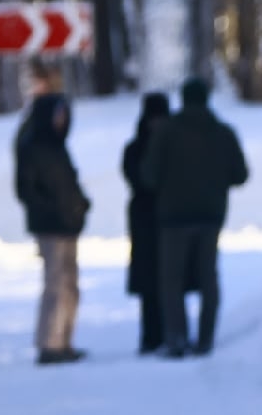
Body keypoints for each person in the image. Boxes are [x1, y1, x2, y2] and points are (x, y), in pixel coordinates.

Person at [141, 77, 248, 357]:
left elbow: (149, 176)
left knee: (171, 281)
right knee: (208, 279)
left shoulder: (166, 131)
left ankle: (176, 339)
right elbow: (241, 175)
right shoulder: (223, 132)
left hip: (173, 217)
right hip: (211, 216)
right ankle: (205, 339)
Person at [12, 62, 89, 366]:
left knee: (69, 284)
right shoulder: (34, 145)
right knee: (56, 284)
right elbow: (28, 189)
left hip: (67, 224)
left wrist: (79, 206)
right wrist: (54, 210)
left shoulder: (56, 147)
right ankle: (51, 343)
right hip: (51, 226)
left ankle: (63, 340)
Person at [120, 92, 179, 354]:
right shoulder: (135, 148)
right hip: (145, 220)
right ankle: (150, 336)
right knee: (149, 281)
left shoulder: (175, 147)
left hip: (168, 218)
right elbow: (140, 180)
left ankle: (170, 333)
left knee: (169, 280)